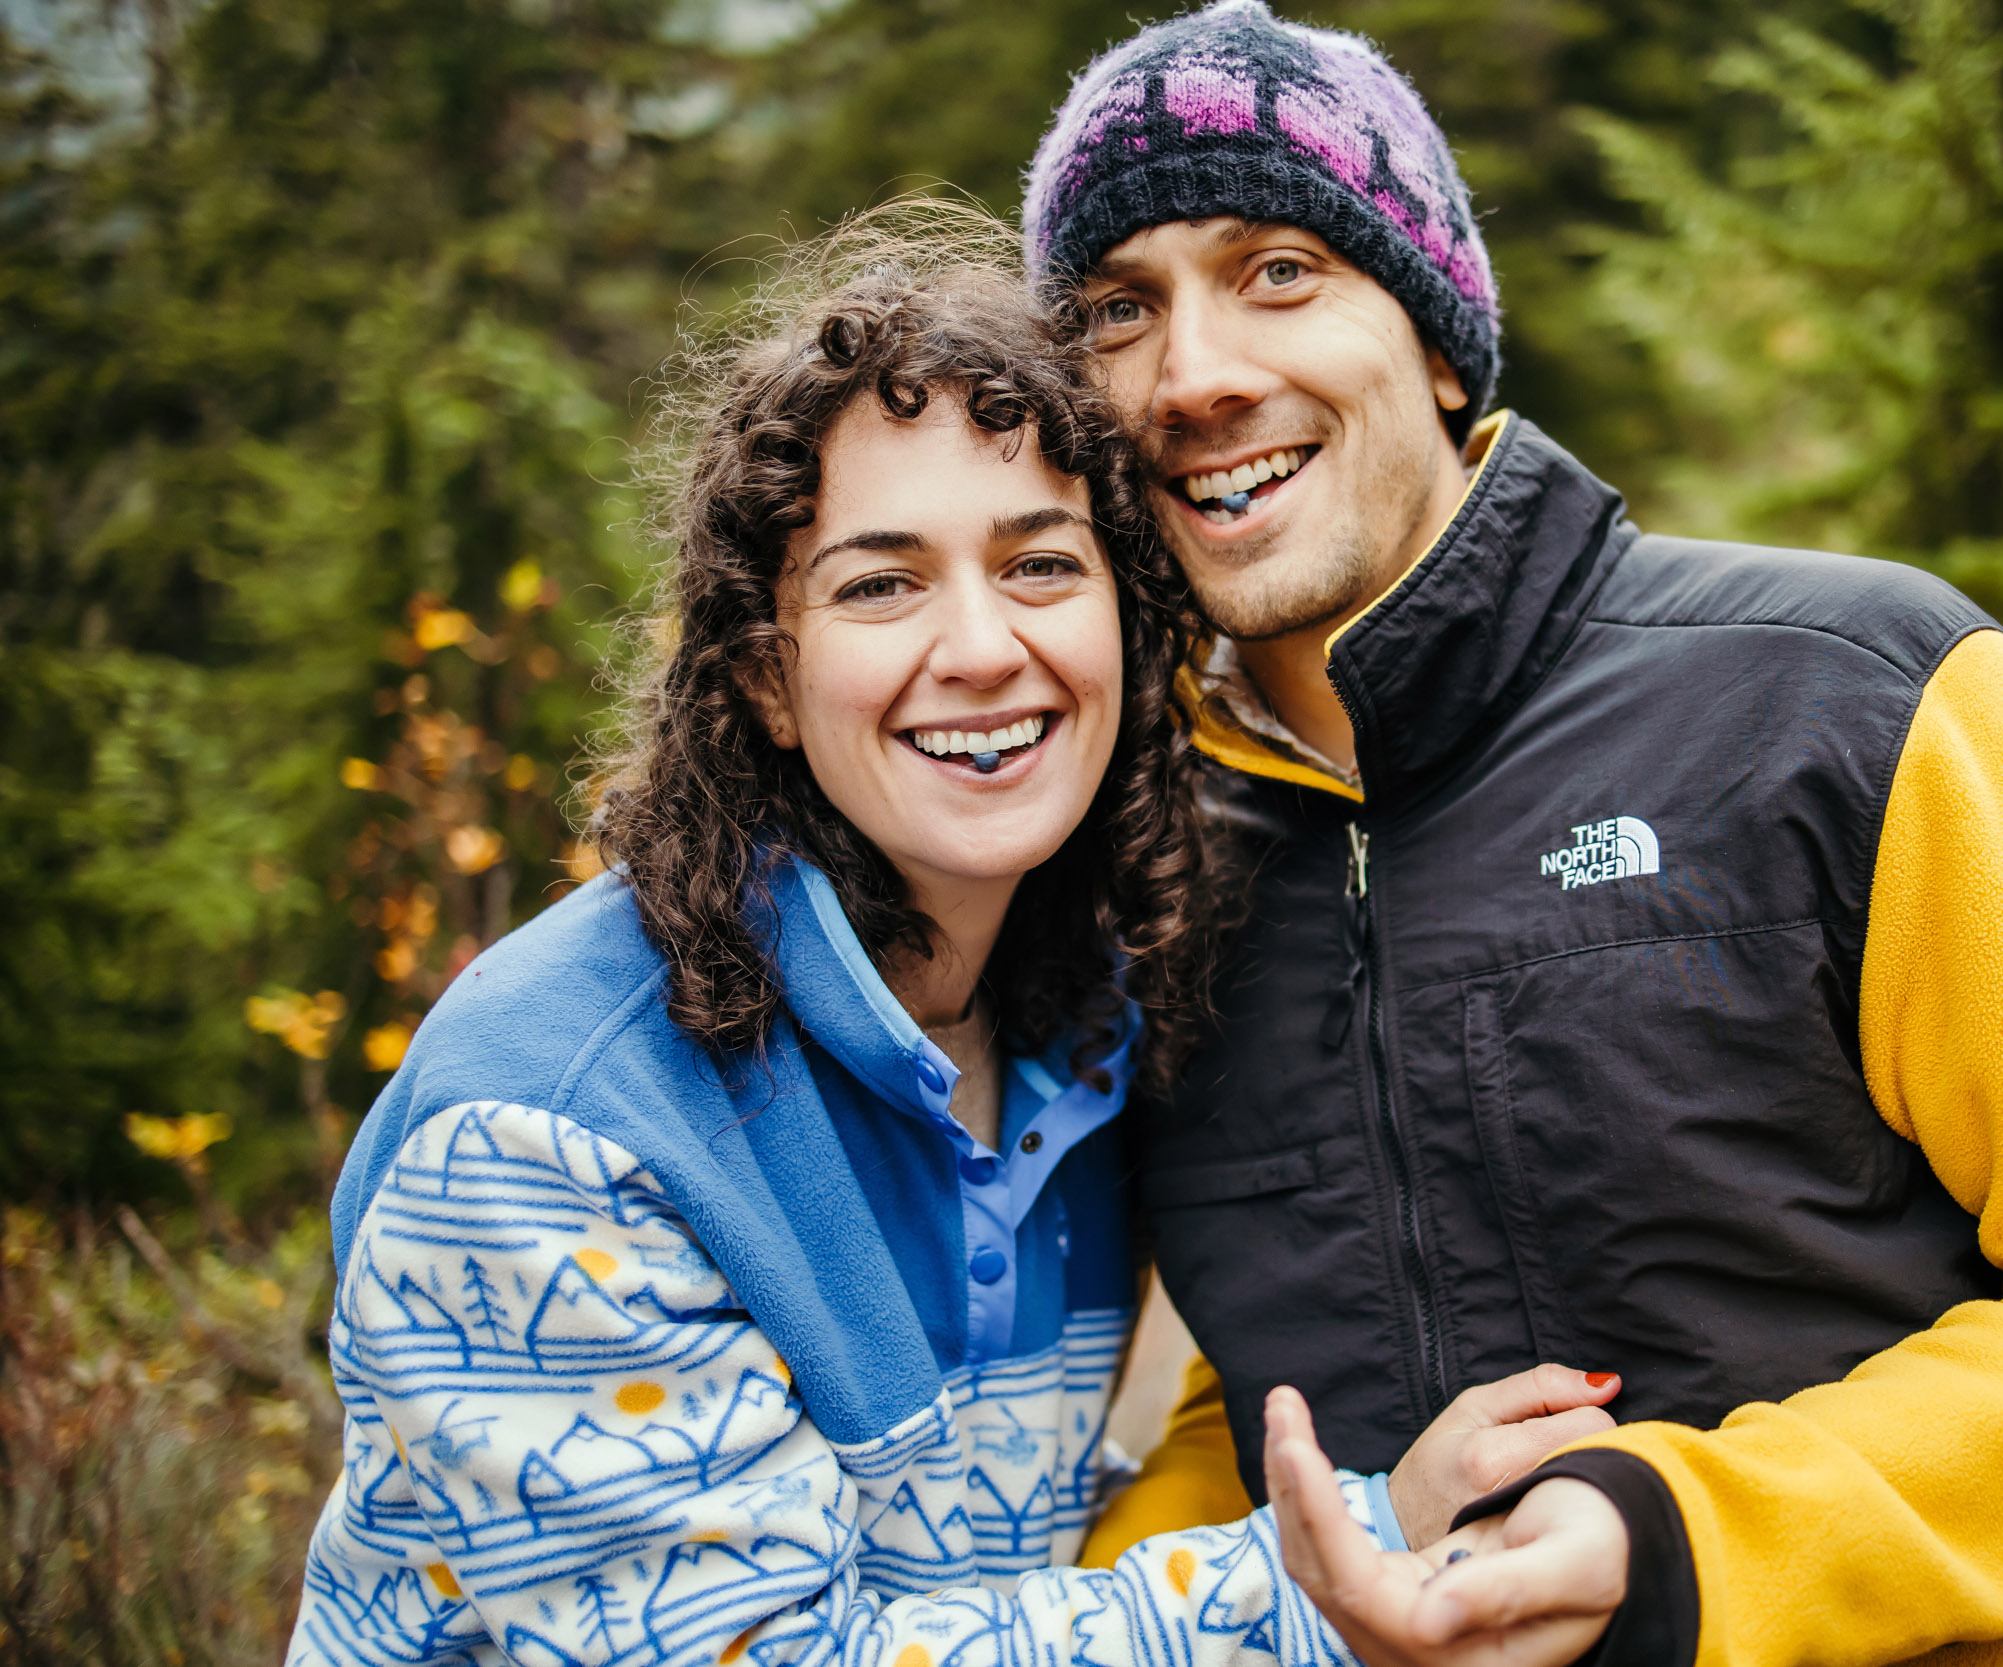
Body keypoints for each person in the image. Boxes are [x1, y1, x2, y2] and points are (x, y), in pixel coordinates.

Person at [1024, 6, 2003, 1665]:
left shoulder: (1854, 697)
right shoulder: (1155, 848)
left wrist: (1681, 1547)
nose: (1196, 374)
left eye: (1279, 270)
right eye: (1115, 311)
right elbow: (1257, 1393)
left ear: (1441, 342)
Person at [284, 207, 1615, 1667]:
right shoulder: (549, 1133)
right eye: (880, 584)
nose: (983, 649)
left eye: (1043, 565)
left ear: (1130, 627)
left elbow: (962, 1561)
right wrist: (1347, 1553)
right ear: (767, 683)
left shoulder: (1088, 1026)